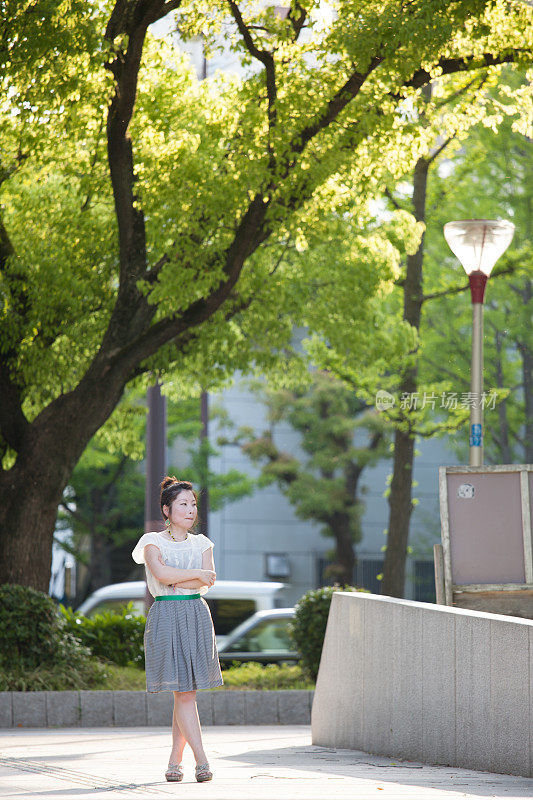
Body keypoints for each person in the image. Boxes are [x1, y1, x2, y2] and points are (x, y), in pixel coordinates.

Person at [132, 477, 223, 783]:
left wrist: (181, 578)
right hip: (167, 614)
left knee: (185, 693)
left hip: (196, 612)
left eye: (193, 504)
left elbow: (207, 582)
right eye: (183, 504)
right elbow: (161, 574)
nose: (190, 509)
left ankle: (174, 762)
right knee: (184, 693)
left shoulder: (202, 543)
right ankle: (201, 760)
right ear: (166, 510)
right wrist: (195, 574)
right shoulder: (151, 542)